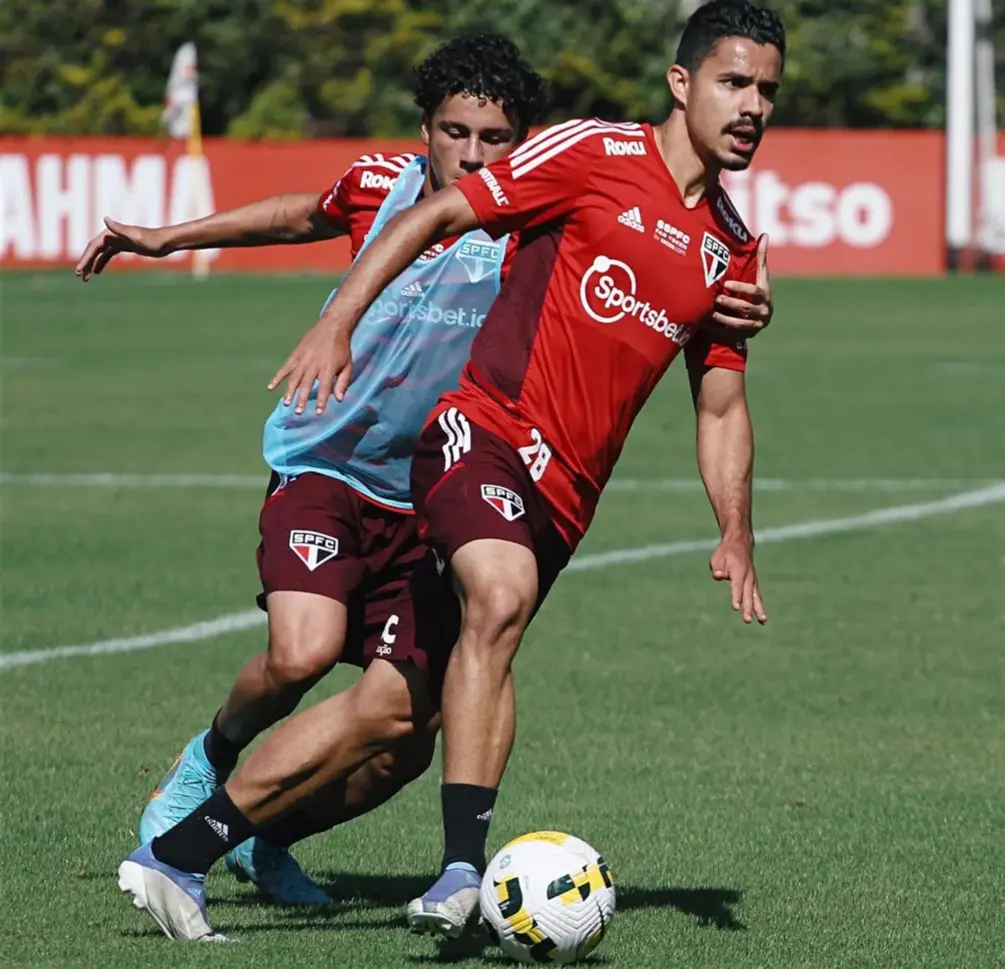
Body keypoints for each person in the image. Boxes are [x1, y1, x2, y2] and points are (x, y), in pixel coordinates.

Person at [266, 0, 784, 939]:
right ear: (683, 82)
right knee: (494, 598)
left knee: (397, 714)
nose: (751, 105)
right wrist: (337, 318)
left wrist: (736, 531)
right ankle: (463, 868)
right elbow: (440, 210)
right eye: (733, 82)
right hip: (484, 432)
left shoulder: (733, 247)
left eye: (766, 91)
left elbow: (720, 405)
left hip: (566, 497)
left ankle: (205, 834)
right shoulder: (593, 151)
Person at [75, 34, 546, 920]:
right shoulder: (384, 184)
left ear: (520, 141)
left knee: (406, 737)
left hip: (426, 492)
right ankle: (210, 759)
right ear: (426, 129)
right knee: (301, 650)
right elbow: (301, 215)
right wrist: (171, 238)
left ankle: (267, 838)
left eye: (494, 138)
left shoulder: (532, 224)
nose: (473, 155)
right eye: (456, 133)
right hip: (322, 459)